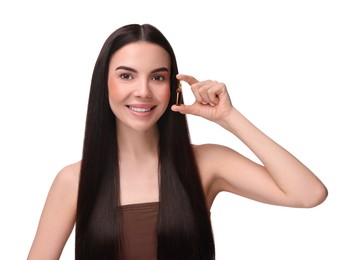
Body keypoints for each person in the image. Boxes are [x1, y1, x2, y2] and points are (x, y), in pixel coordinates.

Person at [27, 23, 327, 260]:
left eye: (158, 78)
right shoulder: (73, 180)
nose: (143, 91)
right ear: (103, 83)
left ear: (173, 87)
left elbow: (308, 194)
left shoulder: (207, 164)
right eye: (127, 76)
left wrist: (229, 118)